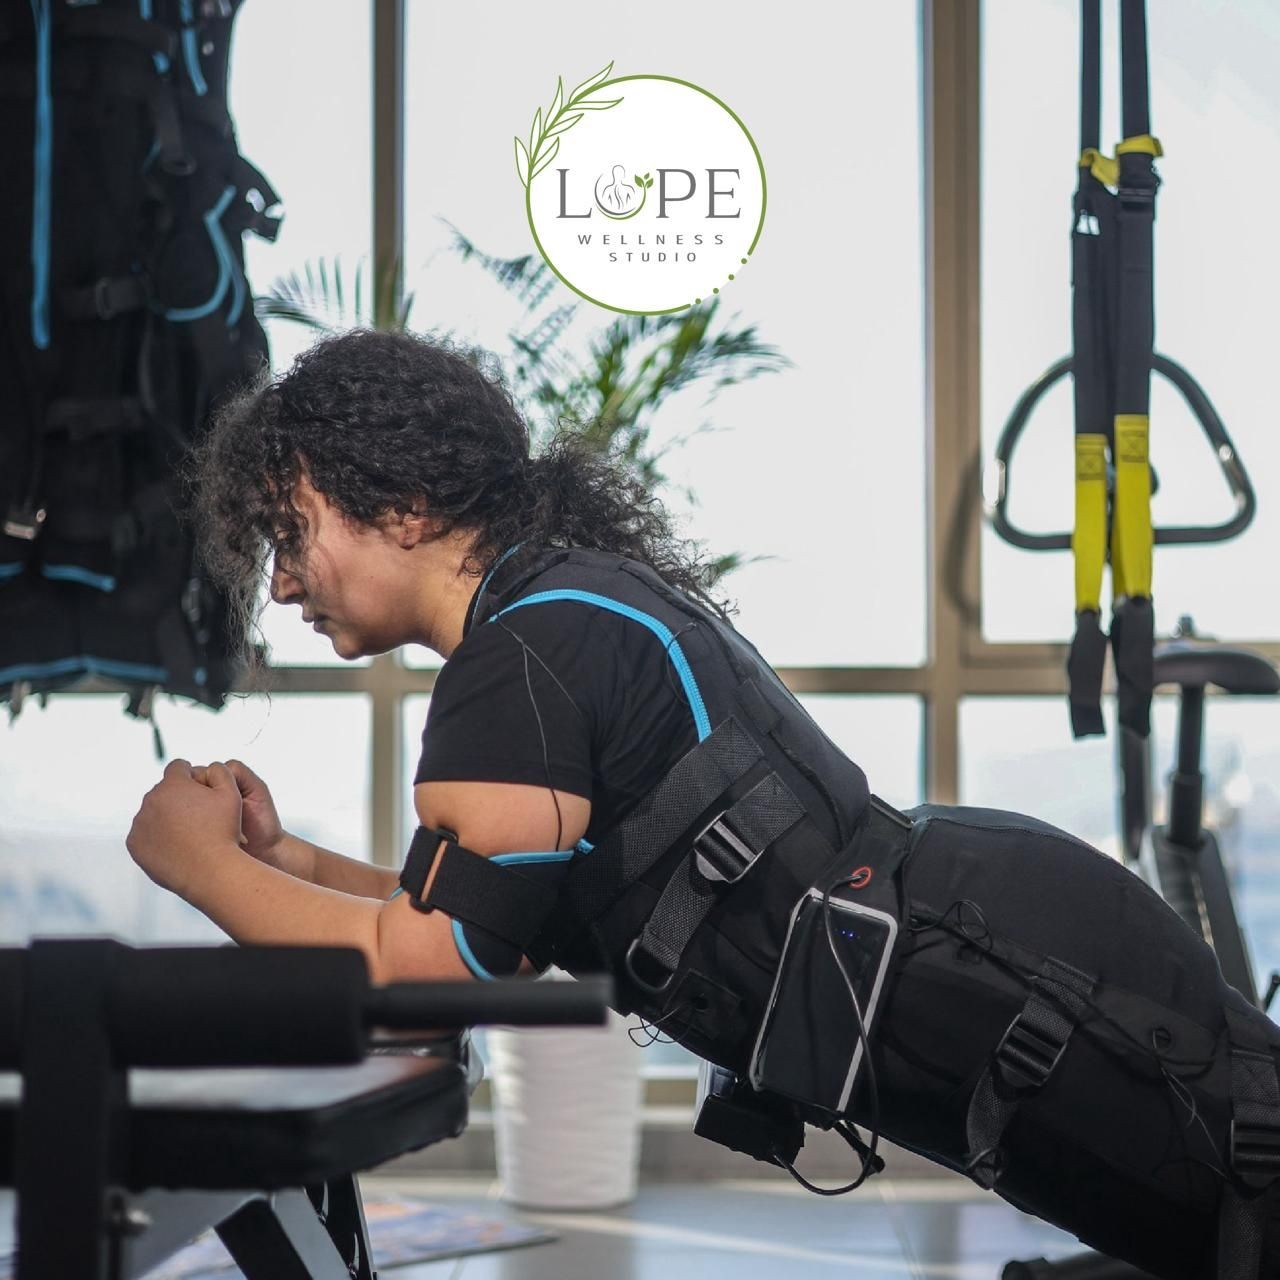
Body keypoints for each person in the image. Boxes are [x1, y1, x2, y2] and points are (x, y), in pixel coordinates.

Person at [126, 329, 1279, 1280]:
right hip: (1007, 954)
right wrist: (281, 857)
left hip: (1031, 999)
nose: (278, 580)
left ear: (407, 501)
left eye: (293, 532)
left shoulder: (518, 661)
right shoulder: (563, 608)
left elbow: (440, 966)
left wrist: (194, 861)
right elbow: (480, 918)